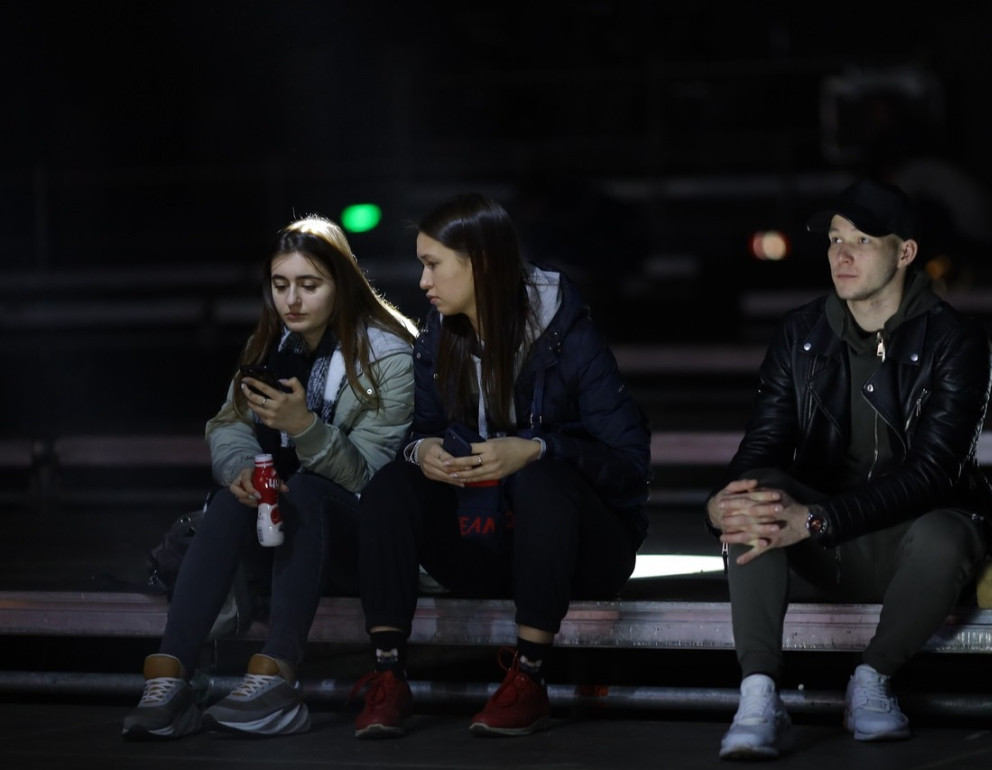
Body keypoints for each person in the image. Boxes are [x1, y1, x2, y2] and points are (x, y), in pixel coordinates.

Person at [707, 179, 992, 760]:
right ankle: (758, 695)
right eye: (835, 239)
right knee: (755, 495)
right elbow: (762, 447)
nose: (841, 254)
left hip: (910, 543)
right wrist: (719, 505)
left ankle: (872, 680)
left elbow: (932, 476)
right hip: (825, 544)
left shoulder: (956, 341)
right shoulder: (801, 334)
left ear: (905, 252)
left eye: (863, 240)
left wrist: (817, 519)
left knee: (948, 531)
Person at [351, 192, 651, 739]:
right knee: (392, 486)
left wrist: (537, 448)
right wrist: (424, 451)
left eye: (433, 264)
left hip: (585, 551)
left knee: (537, 477)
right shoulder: (440, 333)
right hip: (490, 538)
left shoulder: (569, 334)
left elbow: (630, 464)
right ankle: (389, 675)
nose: (423, 281)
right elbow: (420, 431)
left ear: (481, 264)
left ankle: (529, 678)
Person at [122, 215, 417, 740]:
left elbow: (370, 480)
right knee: (231, 499)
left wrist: (304, 428)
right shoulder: (269, 347)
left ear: (342, 284)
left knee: (306, 489)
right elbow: (228, 425)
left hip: (363, 545)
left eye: (309, 285)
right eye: (281, 285)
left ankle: (277, 676)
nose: (292, 301)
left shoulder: (389, 356)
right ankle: (170, 677)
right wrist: (242, 471)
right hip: (282, 535)